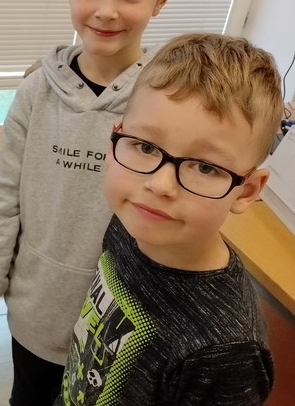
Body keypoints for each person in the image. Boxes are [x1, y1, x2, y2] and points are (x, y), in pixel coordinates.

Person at [0, 0, 181, 406]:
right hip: (36, 310)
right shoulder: (35, 93)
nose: (106, 10)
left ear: (160, 0)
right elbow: (3, 201)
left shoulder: (167, 102)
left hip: (123, 322)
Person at [56, 33, 281, 405]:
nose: (160, 185)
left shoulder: (228, 353)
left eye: (205, 167)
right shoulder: (130, 222)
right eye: (146, 147)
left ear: (246, 191)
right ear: (113, 142)